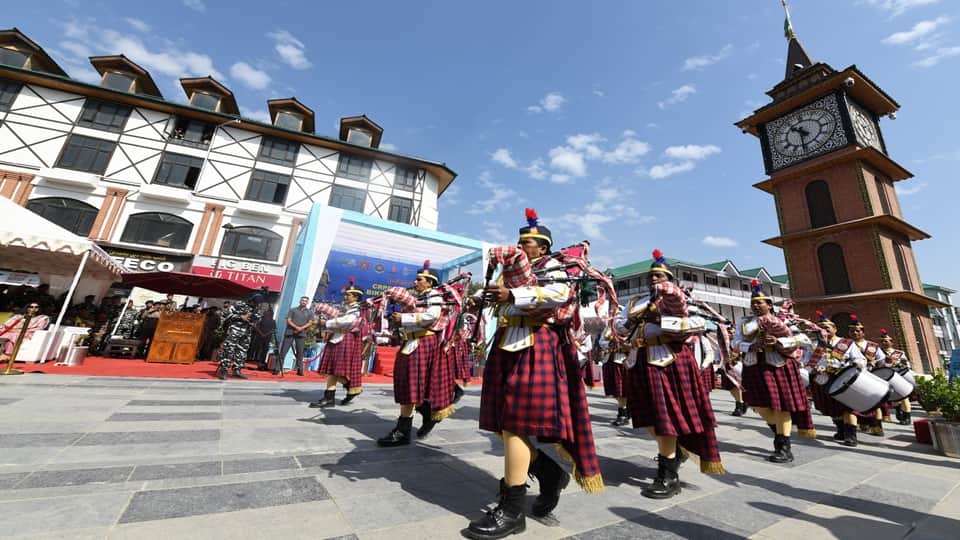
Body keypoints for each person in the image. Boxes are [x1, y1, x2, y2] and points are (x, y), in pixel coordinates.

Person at [464, 209, 603, 540]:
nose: (523, 247)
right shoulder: (508, 274)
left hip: (536, 344)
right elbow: (500, 304)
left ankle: (512, 510)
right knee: (502, 423)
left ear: (544, 247)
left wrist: (513, 295)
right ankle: (548, 472)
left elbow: (559, 296)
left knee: (514, 427)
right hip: (506, 345)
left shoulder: (552, 269)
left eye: (530, 243)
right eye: (521, 242)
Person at [617, 249, 723, 500]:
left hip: (669, 361)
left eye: (660, 275)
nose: (654, 279)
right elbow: (618, 324)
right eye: (651, 276)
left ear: (669, 278)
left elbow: (688, 321)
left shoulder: (677, 298)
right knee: (651, 417)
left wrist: (661, 315)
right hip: (640, 360)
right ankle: (674, 451)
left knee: (665, 417)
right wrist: (627, 325)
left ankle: (668, 474)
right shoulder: (637, 302)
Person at [733, 280, 815, 464]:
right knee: (758, 405)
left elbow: (803, 339)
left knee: (781, 406)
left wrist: (779, 342)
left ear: (769, 304)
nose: (755, 305)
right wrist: (751, 345)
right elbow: (735, 343)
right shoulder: (744, 322)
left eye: (759, 302)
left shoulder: (784, 320)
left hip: (779, 364)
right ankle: (779, 431)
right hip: (754, 364)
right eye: (752, 302)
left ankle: (783, 446)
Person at [377, 260, 455, 446]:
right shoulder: (417, 297)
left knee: (412, 385)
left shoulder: (434, 295)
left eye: (420, 279)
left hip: (423, 341)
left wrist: (404, 317)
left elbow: (432, 316)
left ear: (430, 282)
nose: (416, 281)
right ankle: (426, 414)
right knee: (407, 384)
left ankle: (404, 431)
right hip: (411, 341)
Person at [810, 311, 866, 446]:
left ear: (834, 329)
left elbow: (860, 359)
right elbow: (805, 361)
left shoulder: (847, 343)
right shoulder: (813, 344)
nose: (824, 331)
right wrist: (814, 368)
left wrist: (856, 364)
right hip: (823, 379)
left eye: (827, 328)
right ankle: (841, 430)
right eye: (821, 328)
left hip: (844, 378)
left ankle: (851, 435)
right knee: (832, 407)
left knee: (848, 407)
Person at [310, 278, 365, 407]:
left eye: (348, 295)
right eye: (345, 294)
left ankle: (333, 396)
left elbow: (348, 321)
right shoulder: (347, 308)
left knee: (334, 369)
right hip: (338, 338)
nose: (345, 296)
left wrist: (326, 323)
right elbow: (340, 318)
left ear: (356, 297)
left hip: (344, 339)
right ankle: (349, 390)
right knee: (332, 369)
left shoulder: (357, 310)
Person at [849, 315, 887, 437]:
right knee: (856, 402)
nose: (855, 333)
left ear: (863, 333)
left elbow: (882, 360)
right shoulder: (846, 345)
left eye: (857, 331)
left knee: (874, 402)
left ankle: (877, 426)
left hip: (870, 376)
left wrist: (875, 363)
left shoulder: (873, 346)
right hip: (854, 377)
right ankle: (862, 423)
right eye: (852, 331)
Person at [218, 295, 260, 380]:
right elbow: (226, 314)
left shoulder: (256, 308)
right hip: (235, 331)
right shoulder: (239, 304)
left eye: (257, 304)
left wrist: (253, 319)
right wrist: (240, 317)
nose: (256, 305)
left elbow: (257, 319)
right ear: (251, 300)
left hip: (246, 333)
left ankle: (237, 370)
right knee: (229, 350)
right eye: (254, 303)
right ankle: (224, 370)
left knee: (242, 352)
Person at [878, 328, 913, 425]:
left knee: (904, 396)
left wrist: (901, 364)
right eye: (882, 341)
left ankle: (907, 416)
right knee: (894, 397)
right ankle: (898, 411)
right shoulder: (879, 353)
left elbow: (907, 365)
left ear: (891, 342)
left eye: (886, 341)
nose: (884, 343)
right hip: (887, 377)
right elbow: (879, 365)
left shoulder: (899, 353)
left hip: (899, 377)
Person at [599, 327, 631, 426]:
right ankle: (626, 409)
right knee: (615, 390)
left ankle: (622, 414)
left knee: (622, 389)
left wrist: (624, 343)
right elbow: (601, 341)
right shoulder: (608, 328)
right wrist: (610, 343)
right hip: (611, 360)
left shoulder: (631, 326)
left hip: (623, 360)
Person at [277, 296, 316, 376]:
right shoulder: (293, 310)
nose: (304, 302)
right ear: (300, 301)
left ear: (307, 303)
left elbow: (310, 322)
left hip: (301, 334)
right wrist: (296, 327)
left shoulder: (309, 312)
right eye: (302, 300)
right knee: (283, 351)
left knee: (300, 353)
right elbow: (288, 320)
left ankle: (300, 370)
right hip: (290, 332)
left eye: (305, 301)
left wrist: (301, 328)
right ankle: (277, 369)